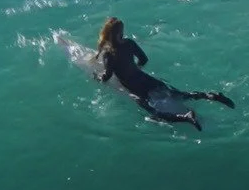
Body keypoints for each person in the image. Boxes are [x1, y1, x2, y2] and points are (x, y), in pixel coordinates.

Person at [95, 18, 234, 129]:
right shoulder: (130, 43)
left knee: (152, 111)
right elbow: (144, 60)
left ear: (107, 34)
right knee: (181, 94)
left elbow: (107, 76)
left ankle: (185, 117)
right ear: (122, 33)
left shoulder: (109, 54)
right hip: (146, 79)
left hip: (134, 88)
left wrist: (97, 77)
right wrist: (135, 69)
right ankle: (211, 95)